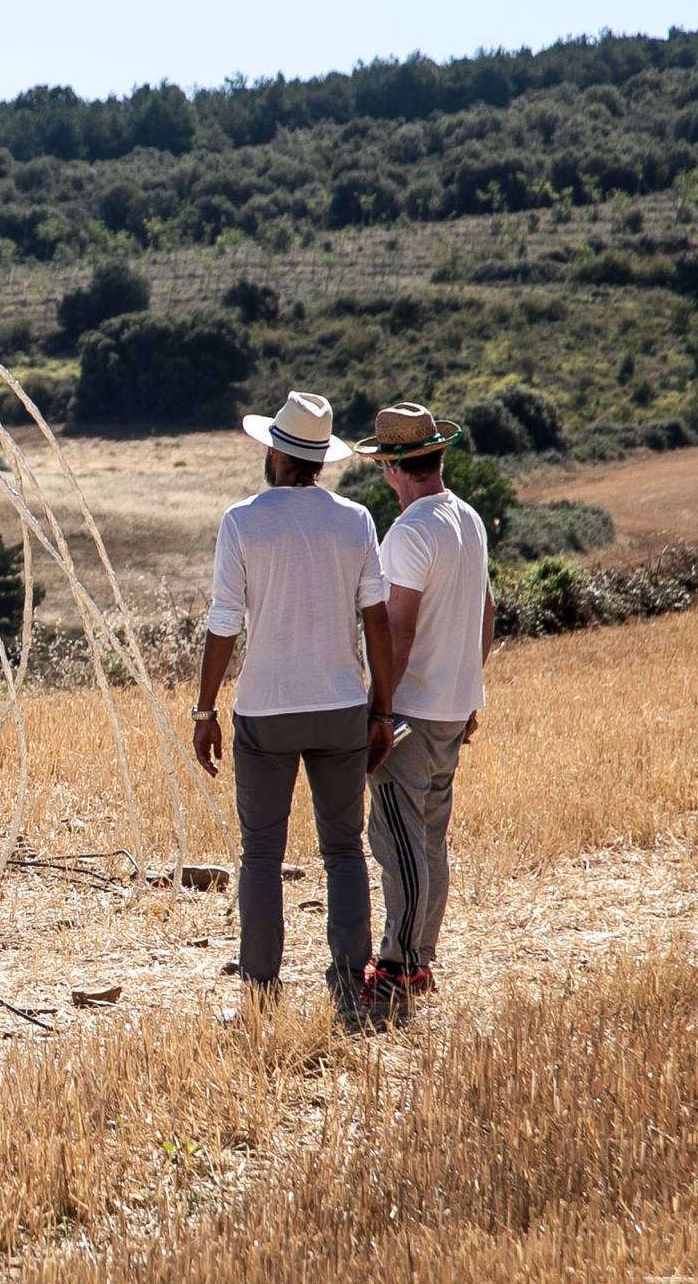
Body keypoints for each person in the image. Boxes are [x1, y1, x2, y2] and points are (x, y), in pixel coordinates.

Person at [193, 391, 398, 1031]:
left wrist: (204, 709)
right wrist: (382, 711)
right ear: (320, 459)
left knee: (260, 854)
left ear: (278, 453)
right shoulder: (357, 520)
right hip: (340, 704)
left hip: (266, 711)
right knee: (343, 850)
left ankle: (260, 992)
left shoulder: (243, 521)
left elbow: (224, 622)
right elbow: (377, 623)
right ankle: (349, 984)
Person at [352, 404, 494, 1027]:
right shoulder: (468, 520)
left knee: (397, 844)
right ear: (437, 455)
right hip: (451, 708)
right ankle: (421, 959)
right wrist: (469, 690)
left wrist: (378, 711)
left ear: (390, 466)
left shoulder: (408, 533)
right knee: (430, 841)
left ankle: (399, 968)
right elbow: (487, 613)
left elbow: (398, 631)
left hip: (409, 711)